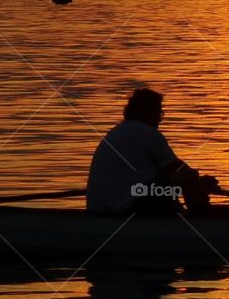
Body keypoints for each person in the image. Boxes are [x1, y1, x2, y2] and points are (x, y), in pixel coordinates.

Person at [86, 88, 217, 215]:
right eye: (159, 113)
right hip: (124, 207)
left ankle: (184, 214)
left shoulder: (116, 132)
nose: (159, 120)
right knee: (187, 175)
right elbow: (180, 170)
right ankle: (204, 219)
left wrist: (194, 185)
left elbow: (164, 175)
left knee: (165, 182)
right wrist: (197, 184)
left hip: (99, 207)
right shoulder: (148, 133)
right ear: (147, 112)